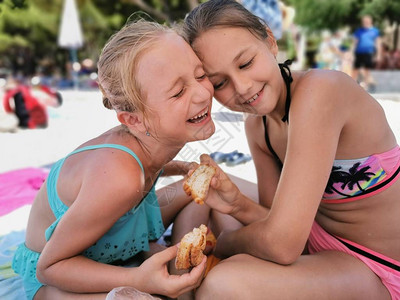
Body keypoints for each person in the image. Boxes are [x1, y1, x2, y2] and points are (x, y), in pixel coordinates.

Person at [182, 0, 400, 299]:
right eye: (220, 83)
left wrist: (222, 243)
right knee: (202, 200)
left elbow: (281, 244)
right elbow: (275, 220)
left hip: (378, 267)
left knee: (224, 283)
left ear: (270, 41)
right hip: (315, 240)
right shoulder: (259, 128)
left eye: (245, 63)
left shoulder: (321, 91)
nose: (243, 87)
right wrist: (237, 206)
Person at [11, 19, 218, 300]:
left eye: (201, 74)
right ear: (133, 119)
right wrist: (139, 280)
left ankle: (177, 263)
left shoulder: (151, 141)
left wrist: (179, 168)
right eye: (179, 92)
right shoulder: (119, 178)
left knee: (206, 185)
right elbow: (49, 268)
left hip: (113, 240)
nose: (204, 92)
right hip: (59, 278)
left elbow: (146, 169)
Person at [352, 15, 382, 91]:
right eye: (364, 21)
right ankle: (352, 85)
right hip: (358, 52)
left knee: (367, 70)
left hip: (369, 52)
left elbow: (378, 43)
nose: (365, 22)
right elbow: (355, 42)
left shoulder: (375, 31)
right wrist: (351, 53)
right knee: (355, 69)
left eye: (367, 21)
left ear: (370, 21)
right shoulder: (359, 31)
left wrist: (378, 55)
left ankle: (365, 86)